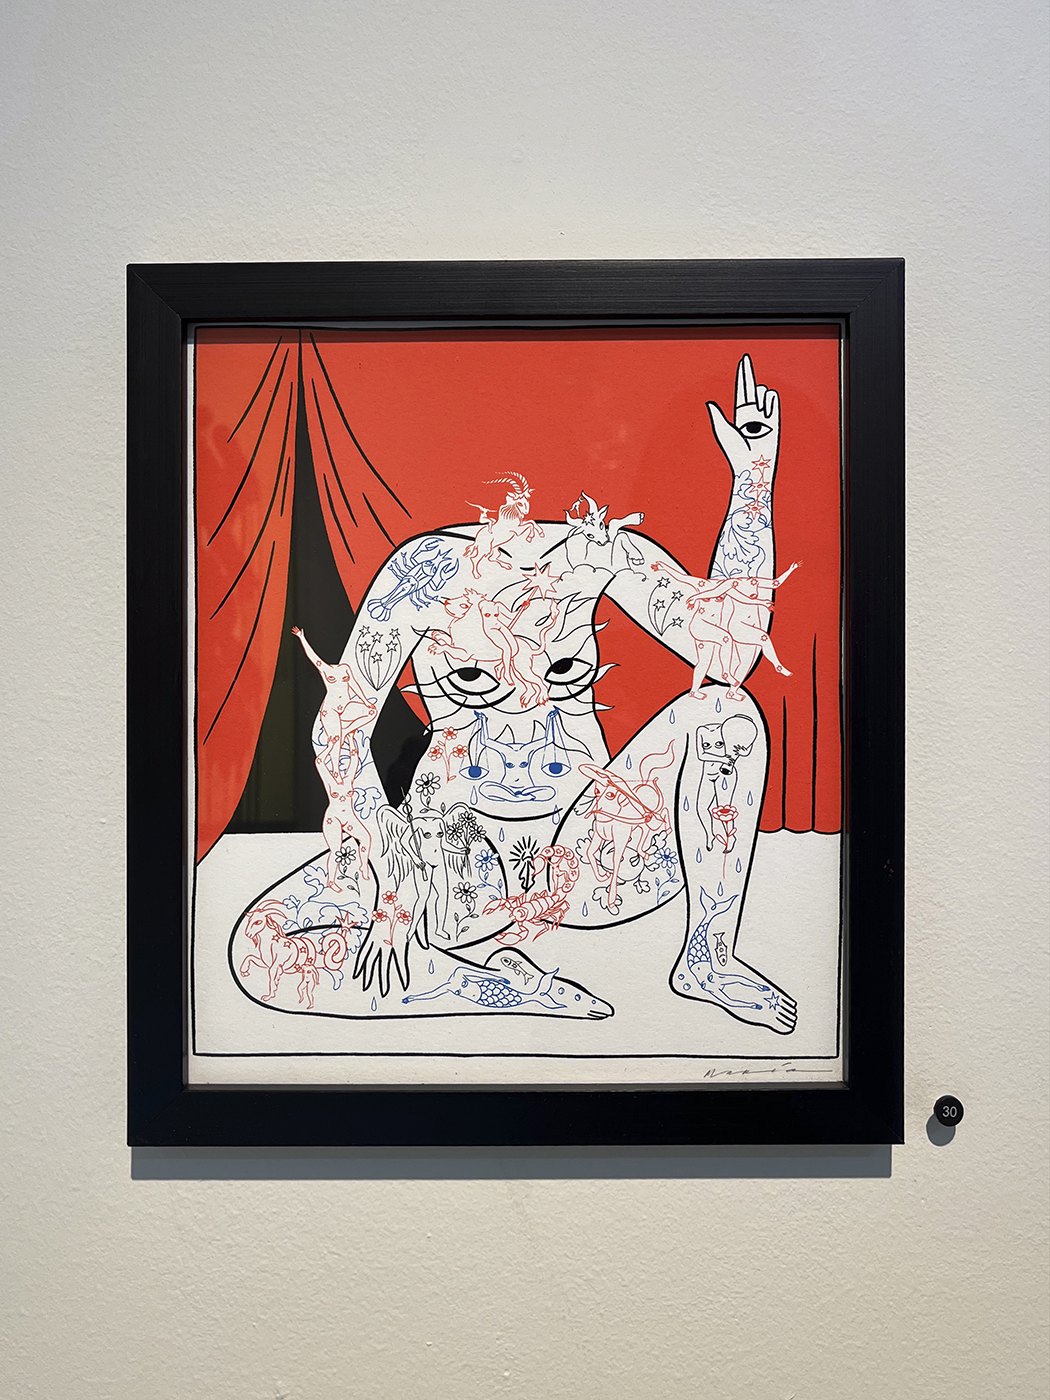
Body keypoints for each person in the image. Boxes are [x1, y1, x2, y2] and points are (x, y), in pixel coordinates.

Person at [233, 355, 798, 1034]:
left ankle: (709, 957)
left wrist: (753, 481)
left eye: (560, 668)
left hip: (590, 864)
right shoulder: (424, 573)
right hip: (455, 869)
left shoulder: (598, 556)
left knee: (728, 715)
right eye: (475, 678)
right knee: (259, 951)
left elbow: (729, 655)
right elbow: (339, 730)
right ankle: (493, 987)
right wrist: (388, 862)